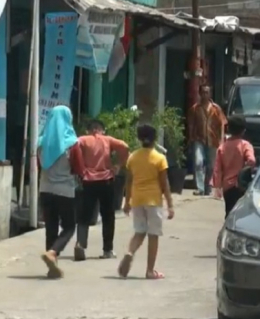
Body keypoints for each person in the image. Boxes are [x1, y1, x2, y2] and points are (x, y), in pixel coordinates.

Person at [118, 124, 174, 280]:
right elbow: (165, 184)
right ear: (155, 138)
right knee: (153, 235)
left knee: (139, 232)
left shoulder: (133, 157)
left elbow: (128, 182)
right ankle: (150, 271)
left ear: (138, 138)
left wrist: (127, 201)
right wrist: (170, 205)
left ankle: (130, 252)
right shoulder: (160, 158)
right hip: (153, 201)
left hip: (137, 199)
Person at [38, 105, 84, 278]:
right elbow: (78, 168)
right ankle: (53, 253)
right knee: (69, 227)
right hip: (65, 191)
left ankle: (52, 267)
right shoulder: (72, 144)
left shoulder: (41, 142)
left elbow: (38, 166)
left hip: (45, 190)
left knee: (51, 227)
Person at [75, 120, 129, 261]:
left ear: (89, 130)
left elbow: (73, 147)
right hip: (106, 180)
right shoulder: (108, 139)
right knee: (108, 216)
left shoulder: (83, 139)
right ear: (102, 130)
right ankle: (107, 250)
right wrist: (118, 165)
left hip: (88, 180)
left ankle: (80, 244)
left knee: (85, 215)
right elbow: (125, 146)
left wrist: (79, 169)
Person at [212, 117, 256, 218]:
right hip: (241, 186)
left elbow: (217, 170)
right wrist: (246, 170)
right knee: (241, 214)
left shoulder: (222, 147)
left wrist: (217, 187)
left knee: (229, 212)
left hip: (227, 187)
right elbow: (251, 160)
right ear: (243, 130)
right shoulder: (245, 145)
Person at [187, 85, 227, 196]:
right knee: (198, 162)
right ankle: (200, 188)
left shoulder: (216, 108)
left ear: (210, 94)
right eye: (203, 92)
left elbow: (222, 124)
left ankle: (207, 186)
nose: (205, 95)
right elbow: (191, 124)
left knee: (211, 165)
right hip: (198, 139)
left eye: (207, 92)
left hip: (213, 140)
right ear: (200, 93)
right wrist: (191, 138)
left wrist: (222, 140)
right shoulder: (195, 108)